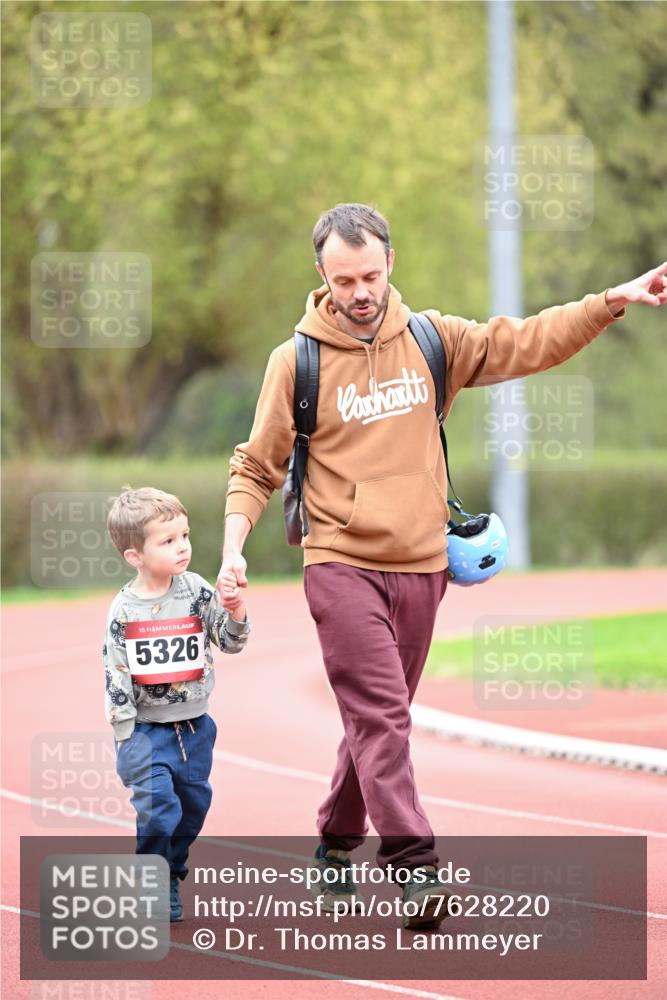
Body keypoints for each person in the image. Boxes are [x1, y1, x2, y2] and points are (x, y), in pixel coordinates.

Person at [216, 203, 667, 928]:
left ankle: (334, 845)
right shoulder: (295, 360)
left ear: (389, 263)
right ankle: (416, 872)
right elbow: (255, 465)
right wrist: (233, 548)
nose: (358, 291)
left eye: (368, 275)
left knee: (373, 725)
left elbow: (527, 342)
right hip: (340, 564)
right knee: (385, 717)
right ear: (321, 276)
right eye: (342, 280)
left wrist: (611, 300)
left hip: (423, 566)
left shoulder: (433, 340)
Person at [104, 486, 250, 921]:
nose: (182, 547)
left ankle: (170, 869)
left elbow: (229, 642)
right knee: (160, 809)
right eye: (167, 541)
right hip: (146, 731)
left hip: (195, 728)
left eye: (184, 536)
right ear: (136, 556)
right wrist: (125, 733)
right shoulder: (124, 611)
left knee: (192, 809)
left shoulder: (197, 591)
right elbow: (116, 674)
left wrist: (236, 609)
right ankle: (153, 877)